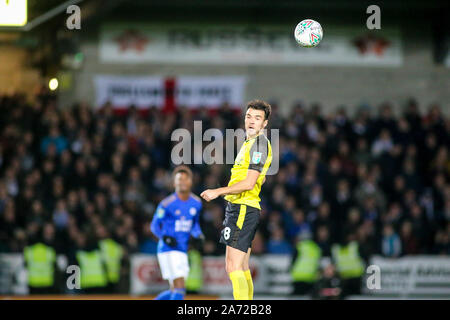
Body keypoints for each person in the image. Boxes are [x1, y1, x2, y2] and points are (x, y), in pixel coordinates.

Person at [201, 100, 273, 300]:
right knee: (241, 266)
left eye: (257, 118)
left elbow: (249, 183)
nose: (251, 121)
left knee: (232, 265)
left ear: (265, 123)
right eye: (249, 116)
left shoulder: (258, 143)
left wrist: (218, 191)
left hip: (243, 207)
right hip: (241, 207)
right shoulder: (251, 143)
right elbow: (259, 176)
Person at [150, 165, 204, 300]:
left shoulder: (196, 203)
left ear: (191, 182)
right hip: (169, 248)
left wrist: (198, 234)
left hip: (182, 249)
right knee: (180, 287)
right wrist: (165, 237)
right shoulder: (167, 203)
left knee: (175, 289)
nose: (182, 182)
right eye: (179, 179)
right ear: (174, 182)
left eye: (185, 179)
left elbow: (194, 224)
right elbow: (154, 226)